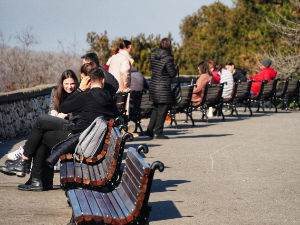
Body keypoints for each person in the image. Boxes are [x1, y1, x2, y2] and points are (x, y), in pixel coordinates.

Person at [0, 67, 120, 191]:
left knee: (42, 124)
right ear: (103, 81)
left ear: (88, 81)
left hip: (79, 139)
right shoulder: (110, 101)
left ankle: (26, 164)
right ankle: (36, 178)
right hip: (88, 138)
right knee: (43, 131)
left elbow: (64, 107)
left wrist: (79, 90)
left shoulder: (87, 96)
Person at [7, 70, 79, 161]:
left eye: (72, 83)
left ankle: (25, 152)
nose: (69, 87)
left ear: (76, 83)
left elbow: (79, 114)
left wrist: (66, 115)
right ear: (62, 83)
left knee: (41, 124)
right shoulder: (56, 92)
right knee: (42, 130)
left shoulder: (78, 94)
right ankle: (29, 158)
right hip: (57, 123)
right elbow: (52, 108)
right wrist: (53, 111)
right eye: (66, 83)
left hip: (69, 125)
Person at [144, 38, 178, 139]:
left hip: (154, 85)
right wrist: (175, 68)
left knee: (155, 109)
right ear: (168, 45)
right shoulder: (168, 58)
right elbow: (172, 73)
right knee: (163, 110)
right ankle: (158, 133)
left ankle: (149, 130)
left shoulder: (154, 56)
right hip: (163, 87)